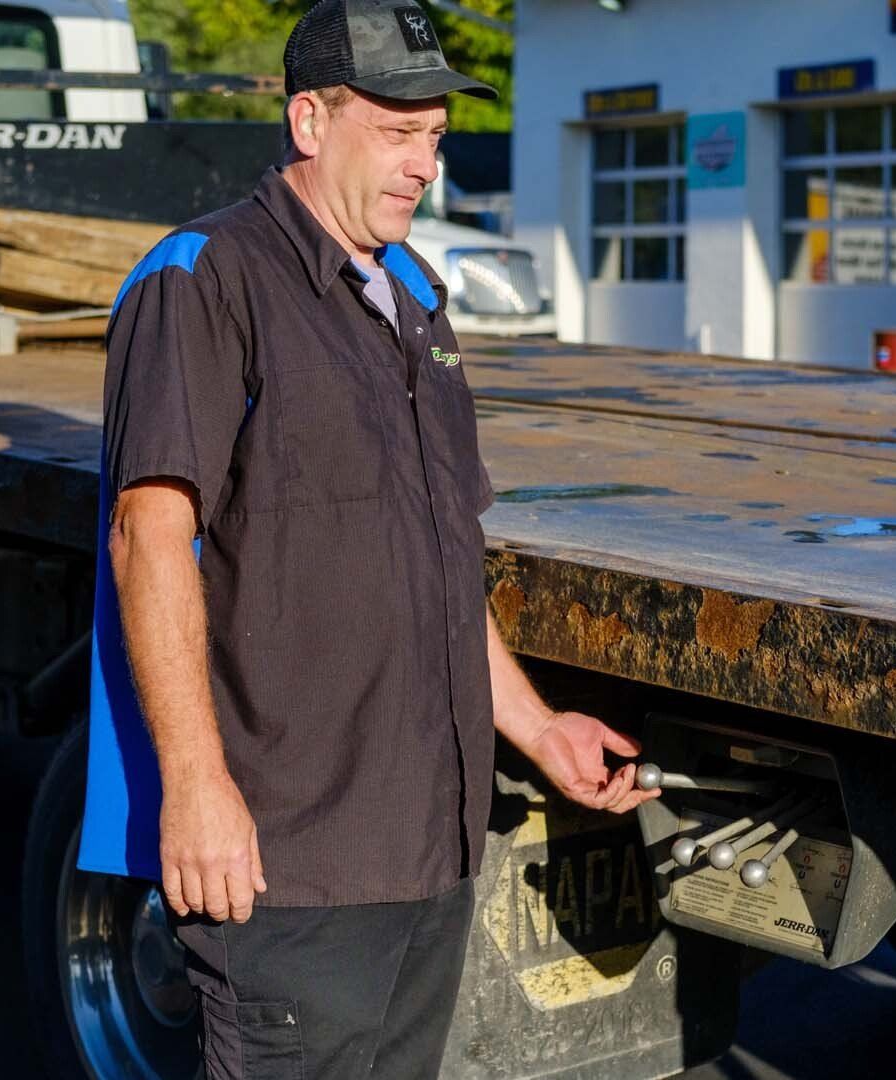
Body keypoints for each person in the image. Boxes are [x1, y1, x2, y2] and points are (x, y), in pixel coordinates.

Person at [78, 1, 658, 1076]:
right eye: (396, 133)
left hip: (428, 854)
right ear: (309, 120)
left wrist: (536, 729)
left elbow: (437, 557)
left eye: (434, 136)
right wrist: (194, 786)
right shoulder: (206, 279)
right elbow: (146, 541)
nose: (423, 164)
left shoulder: (415, 298)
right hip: (292, 865)